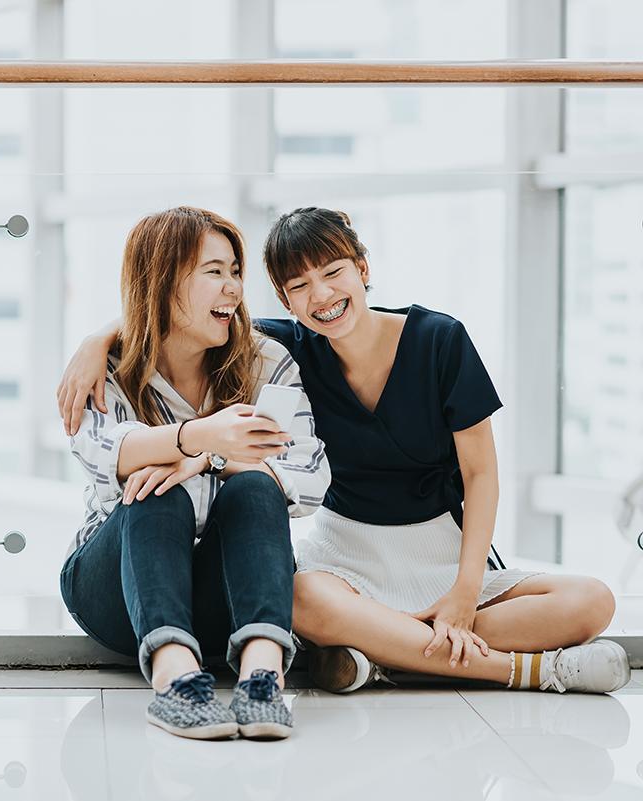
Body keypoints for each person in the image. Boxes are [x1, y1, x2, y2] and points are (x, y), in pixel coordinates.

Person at [59, 207, 629, 696]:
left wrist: (463, 591)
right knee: (301, 596)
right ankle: (519, 670)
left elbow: (481, 474)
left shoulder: (435, 341)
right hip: (344, 559)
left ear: (363, 269)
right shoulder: (290, 346)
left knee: (591, 602)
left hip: (440, 549)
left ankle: (384, 652)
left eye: (334, 273)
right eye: (299, 286)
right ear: (286, 299)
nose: (322, 296)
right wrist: (98, 341)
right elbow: (169, 316)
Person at [62, 206, 330, 741]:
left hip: (223, 595)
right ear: (163, 282)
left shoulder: (264, 361)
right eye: (214, 272)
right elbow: (105, 452)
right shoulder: (106, 368)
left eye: (236, 271)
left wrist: (211, 458)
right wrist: (199, 436)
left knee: (256, 485)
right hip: (117, 590)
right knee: (153, 484)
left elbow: (309, 475)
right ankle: (175, 683)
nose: (233, 287)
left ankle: (262, 679)